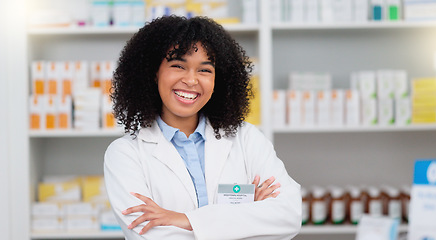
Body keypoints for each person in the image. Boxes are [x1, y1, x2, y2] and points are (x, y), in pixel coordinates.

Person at [104, 15, 301, 240]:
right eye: (178, 66)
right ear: (154, 72)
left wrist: (186, 220)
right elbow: (152, 235)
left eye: (205, 70)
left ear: (219, 78)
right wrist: (247, 218)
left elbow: (289, 214)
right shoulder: (125, 154)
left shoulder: (246, 138)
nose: (191, 80)